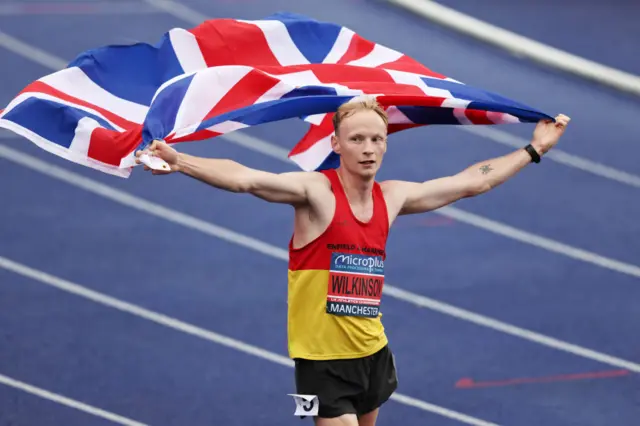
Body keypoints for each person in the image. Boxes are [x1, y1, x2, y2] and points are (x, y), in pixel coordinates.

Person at [135, 97, 570, 426]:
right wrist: (182, 161)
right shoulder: (315, 192)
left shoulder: (392, 197)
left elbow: (469, 183)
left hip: (372, 350)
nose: (368, 148)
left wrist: (535, 150)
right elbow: (247, 178)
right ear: (336, 143)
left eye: (376, 139)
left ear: (385, 146)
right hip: (321, 361)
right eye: (357, 139)